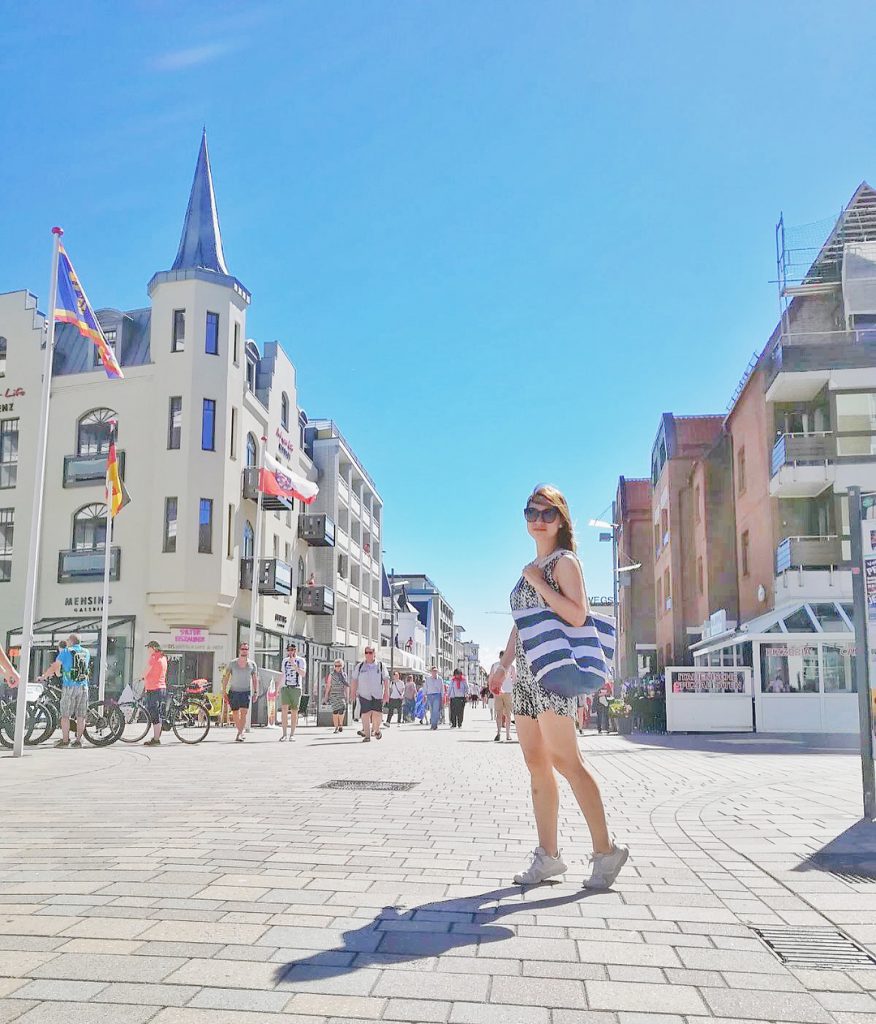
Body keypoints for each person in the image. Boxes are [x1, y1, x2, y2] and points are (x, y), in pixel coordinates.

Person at [489, 484, 629, 890]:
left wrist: (539, 581)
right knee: (537, 765)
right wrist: (503, 666)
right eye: (531, 512)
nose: (538, 519)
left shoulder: (563, 562)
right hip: (528, 678)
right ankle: (547, 857)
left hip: (554, 672)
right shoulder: (534, 565)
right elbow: (523, 623)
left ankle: (606, 852)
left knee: (567, 762)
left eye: (548, 513)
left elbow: (577, 614)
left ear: (561, 519)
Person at [39, 634, 90, 748]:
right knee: (81, 716)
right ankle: (78, 741)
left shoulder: (66, 652)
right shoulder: (86, 652)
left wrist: (43, 676)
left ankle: (65, 740)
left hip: (69, 686)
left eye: (68, 640)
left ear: (71, 641)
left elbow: (54, 667)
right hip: (83, 686)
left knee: (65, 715)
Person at [221, 642, 259, 742]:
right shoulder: (232, 663)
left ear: (248, 651)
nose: (244, 651)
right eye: (242, 649)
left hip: (245, 691)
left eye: (246, 649)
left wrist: (256, 692)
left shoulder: (252, 664)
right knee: (235, 713)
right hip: (234, 691)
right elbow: (226, 677)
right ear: (239, 650)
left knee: (244, 713)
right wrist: (224, 691)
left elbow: (255, 679)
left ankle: (240, 733)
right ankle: (240, 731)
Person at [350, 646, 389, 742]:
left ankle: (376, 730)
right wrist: (353, 692)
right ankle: (367, 736)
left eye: (370, 652)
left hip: (377, 693)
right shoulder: (360, 666)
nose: (368, 654)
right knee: (365, 714)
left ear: (374, 654)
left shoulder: (380, 665)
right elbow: (354, 680)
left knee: (377, 714)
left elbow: (386, 680)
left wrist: (386, 693)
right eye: (366, 652)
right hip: (364, 694)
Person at [140, 640, 168, 746]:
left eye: (149, 648)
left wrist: (141, 677)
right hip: (162, 687)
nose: (147, 650)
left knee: (154, 713)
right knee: (159, 712)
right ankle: (157, 736)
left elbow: (147, 670)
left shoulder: (154, 657)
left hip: (153, 688)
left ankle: (156, 739)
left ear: (153, 648)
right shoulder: (163, 657)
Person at [279, 642, 307, 741]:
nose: (291, 652)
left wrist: (295, 666)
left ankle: (292, 734)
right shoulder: (285, 661)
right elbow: (282, 674)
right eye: (289, 650)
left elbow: (303, 674)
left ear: (296, 650)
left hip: (296, 688)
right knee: (284, 710)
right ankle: (284, 734)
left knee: (294, 711)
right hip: (286, 687)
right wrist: (278, 687)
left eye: (293, 650)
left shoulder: (301, 660)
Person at [489, 650, 516, 742]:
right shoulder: (510, 667)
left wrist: (491, 689)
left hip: (502, 691)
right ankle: (505, 734)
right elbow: (514, 680)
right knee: (505, 714)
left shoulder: (496, 665)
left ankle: (500, 733)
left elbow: (491, 678)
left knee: (501, 714)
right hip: (505, 691)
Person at [324, 659, 349, 733]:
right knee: (335, 711)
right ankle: (336, 727)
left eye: (339, 666)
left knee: (342, 709)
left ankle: (340, 724)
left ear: (342, 666)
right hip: (333, 695)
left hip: (341, 695)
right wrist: (326, 696)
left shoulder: (344, 675)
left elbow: (346, 686)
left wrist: (347, 696)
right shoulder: (331, 675)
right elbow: (328, 686)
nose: (337, 667)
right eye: (336, 666)